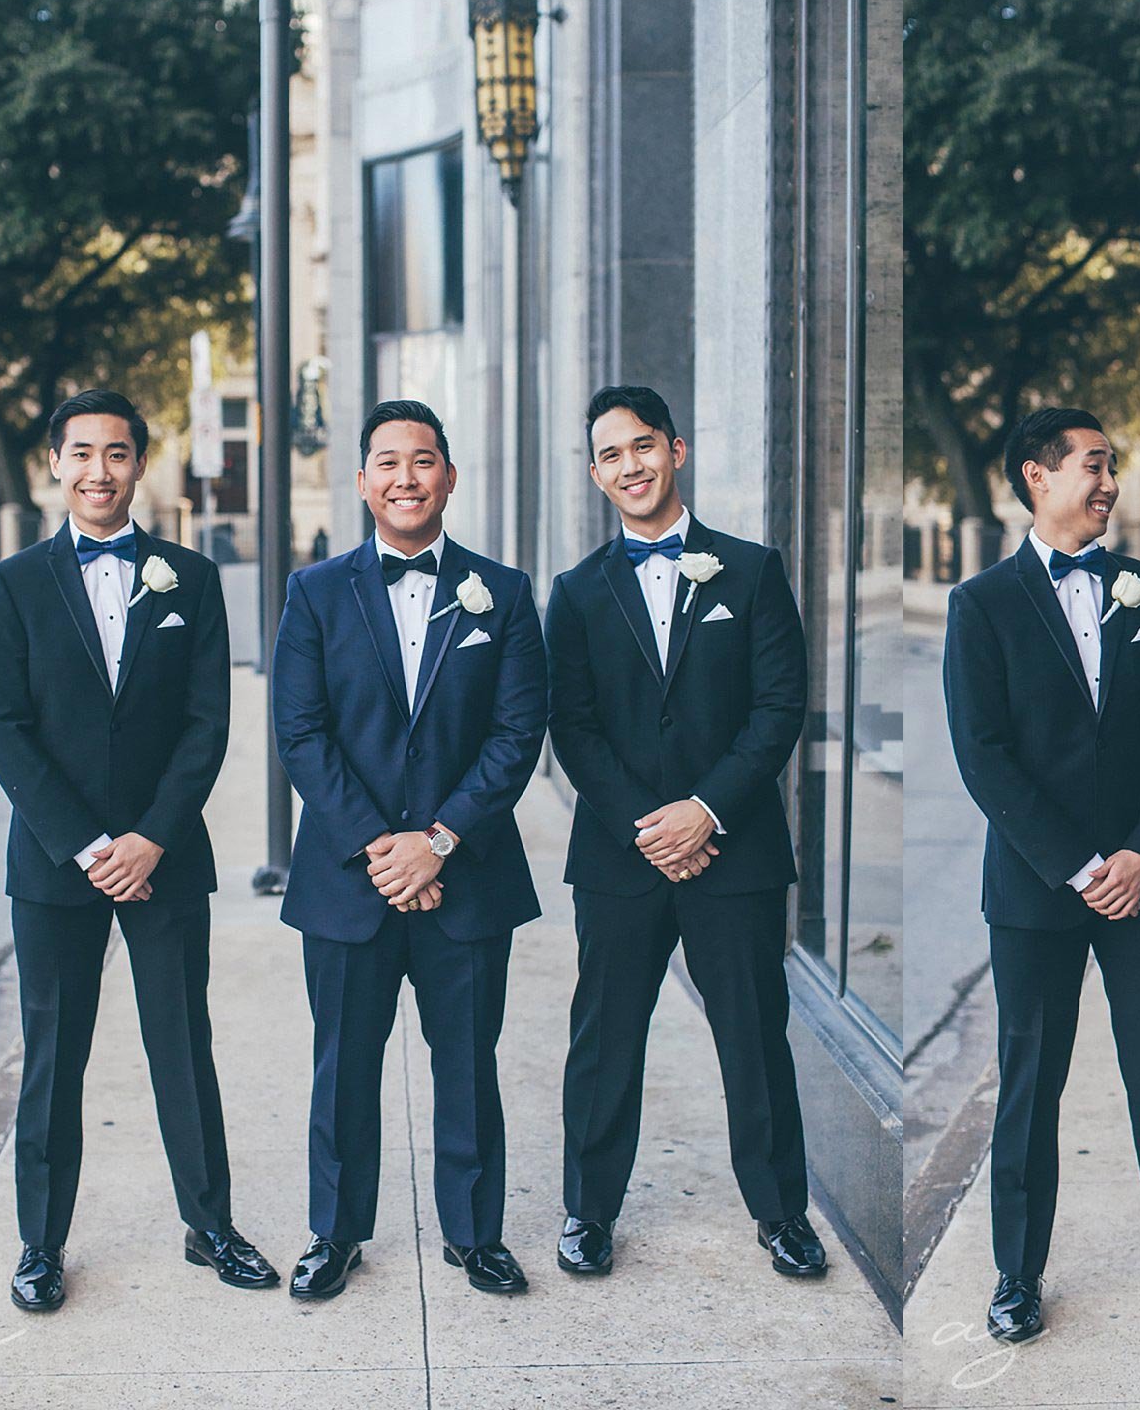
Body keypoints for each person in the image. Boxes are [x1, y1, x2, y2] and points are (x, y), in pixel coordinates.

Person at [943, 407, 1140, 1345]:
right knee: (1032, 1079)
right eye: (1094, 464)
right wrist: (1080, 866)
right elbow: (984, 755)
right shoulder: (982, 605)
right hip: (1038, 890)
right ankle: (1016, 1274)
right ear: (1038, 477)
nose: (1111, 481)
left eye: (1111, 465)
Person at [0, 388, 275, 1312]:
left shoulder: (192, 576)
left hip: (166, 854)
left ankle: (210, 1224)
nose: (99, 470)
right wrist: (87, 844)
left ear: (141, 465)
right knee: (54, 1053)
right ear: (57, 464)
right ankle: (39, 1245)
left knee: (183, 1043)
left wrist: (151, 837)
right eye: (82, 453)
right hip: (57, 865)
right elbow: (4, 725)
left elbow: (206, 724)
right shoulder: (16, 583)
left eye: (117, 453)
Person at [544, 385, 825, 1281]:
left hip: (732, 850)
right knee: (605, 1038)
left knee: (753, 1036)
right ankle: (588, 1213)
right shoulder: (577, 593)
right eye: (612, 455)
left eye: (644, 447)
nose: (631, 466)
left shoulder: (750, 570)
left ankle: (781, 1214)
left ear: (677, 449)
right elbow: (572, 726)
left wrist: (705, 812)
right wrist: (647, 825)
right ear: (596, 475)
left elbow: (781, 707)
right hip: (621, 859)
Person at [272, 399, 547, 1299]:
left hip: (465, 874)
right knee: (343, 1063)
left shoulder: (502, 593)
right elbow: (302, 732)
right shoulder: (313, 593)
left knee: (468, 1061)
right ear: (361, 483)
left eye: (422, 461)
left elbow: (517, 733)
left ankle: (475, 1234)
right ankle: (336, 1233)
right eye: (387, 463)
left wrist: (436, 842)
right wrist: (382, 849)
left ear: (449, 477)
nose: (405, 478)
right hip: (349, 880)